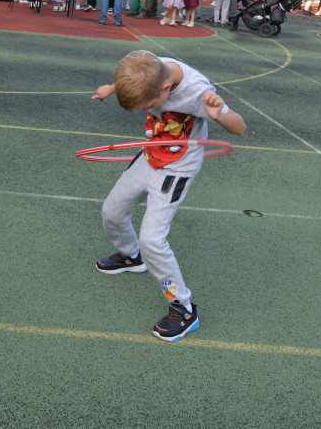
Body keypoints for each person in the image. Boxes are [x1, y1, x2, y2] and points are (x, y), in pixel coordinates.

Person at [92, 50, 246, 341]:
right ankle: (130, 255)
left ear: (164, 88)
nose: (145, 111)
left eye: (148, 106)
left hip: (176, 169)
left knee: (153, 239)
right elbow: (133, 79)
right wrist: (111, 89)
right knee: (111, 212)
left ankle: (184, 308)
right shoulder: (149, 65)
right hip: (150, 156)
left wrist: (219, 115)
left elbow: (240, 127)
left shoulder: (197, 92)